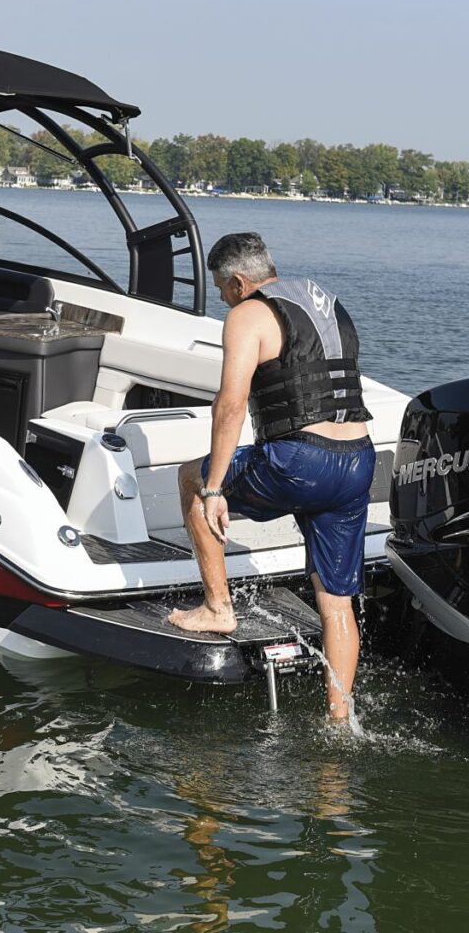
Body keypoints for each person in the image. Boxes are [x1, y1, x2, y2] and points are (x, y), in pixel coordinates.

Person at [168, 232, 376, 723]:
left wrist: (215, 486)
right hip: (357, 461)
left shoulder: (247, 314)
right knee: (336, 603)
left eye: (222, 290)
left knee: (191, 483)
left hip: (302, 463)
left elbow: (232, 404)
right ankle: (340, 720)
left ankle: (218, 608)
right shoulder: (325, 299)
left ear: (239, 282)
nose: (223, 299)